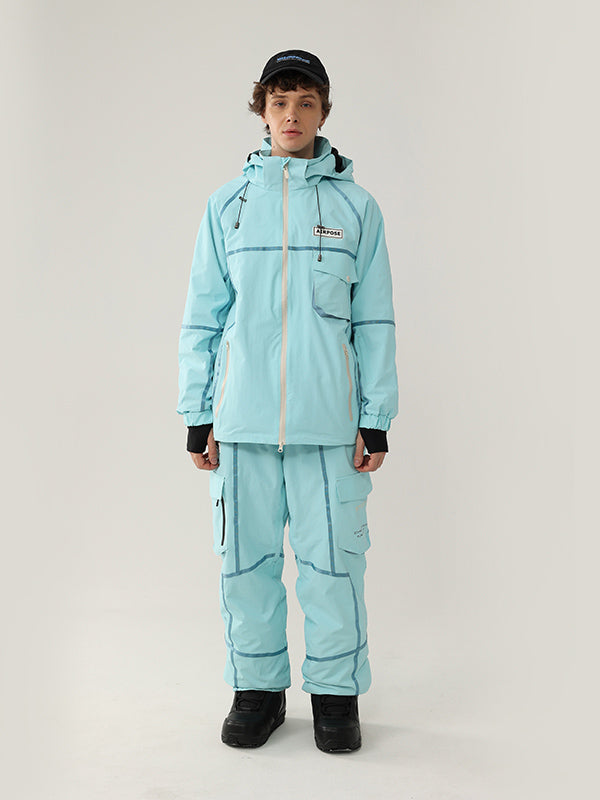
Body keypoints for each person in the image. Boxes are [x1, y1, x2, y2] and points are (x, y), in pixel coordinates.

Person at [177, 49, 398, 753]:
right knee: (246, 568)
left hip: (329, 425)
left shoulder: (357, 208)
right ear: (262, 111)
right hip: (241, 424)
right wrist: (198, 413)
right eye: (279, 102)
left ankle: (335, 696)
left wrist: (375, 418)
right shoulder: (227, 206)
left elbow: (375, 321)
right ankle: (258, 691)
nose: (292, 115)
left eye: (305, 102)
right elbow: (203, 317)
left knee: (334, 568)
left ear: (323, 112)